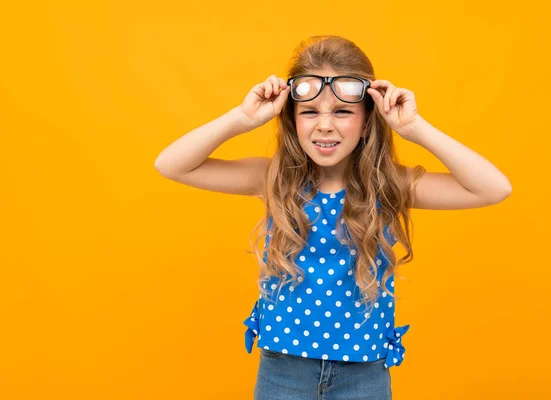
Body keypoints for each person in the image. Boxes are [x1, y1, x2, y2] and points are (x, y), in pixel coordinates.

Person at [154, 35, 512, 400]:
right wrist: (242, 118)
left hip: (364, 374)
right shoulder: (274, 178)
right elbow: (171, 165)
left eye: (342, 112)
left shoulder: (389, 185)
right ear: (292, 120)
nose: (325, 125)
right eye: (310, 112)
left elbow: (493, 189)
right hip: (284, 371)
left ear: (367, 121)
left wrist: (414, 127)